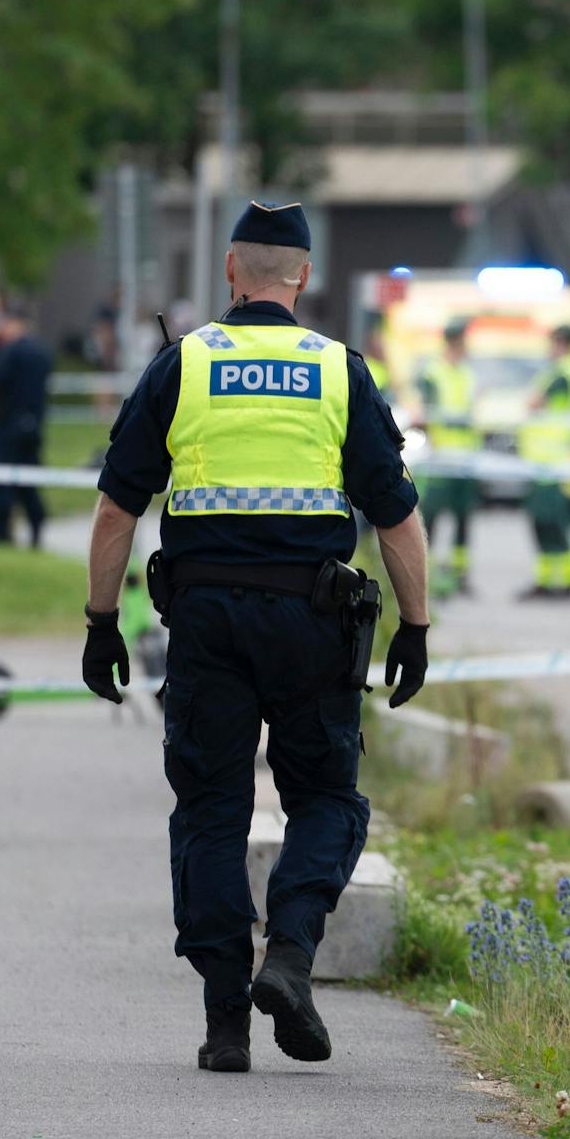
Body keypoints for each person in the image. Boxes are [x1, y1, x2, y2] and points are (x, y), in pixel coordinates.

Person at [82, 200, 430, 1075]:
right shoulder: (338, 371)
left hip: (205, 623)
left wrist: (98, 623)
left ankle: (223, 1025)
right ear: (302, 277)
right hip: (313, 624)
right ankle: (291, 957)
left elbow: (117, 510)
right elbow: (397, 520)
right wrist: (416, 627)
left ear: (231, 272)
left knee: (211, 809)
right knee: (325, 800)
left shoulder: (183, 364)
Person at [517, 325, 570, 601]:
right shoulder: (562, 370)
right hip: (543, 462)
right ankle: (548, 580)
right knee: (544, 524)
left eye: (554, 343)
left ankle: (565, 581)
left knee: (552, 523)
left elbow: (536, 403)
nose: (550, 348)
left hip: (552, 463)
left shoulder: (564, 372)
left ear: (563, 344)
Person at [417, 320, 481, 595]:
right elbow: (426, 413)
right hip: (440, 459)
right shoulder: (433, 373)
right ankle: (424, 575)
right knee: (431, 518)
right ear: (455, 342)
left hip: (465, 458)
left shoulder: (467, 374)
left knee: (464, 518)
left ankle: (459, 575)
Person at [0, 310, 52, 548]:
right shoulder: (41, 351)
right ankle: (36, 528)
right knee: (30, 483)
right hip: (34, 424)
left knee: (2, 481)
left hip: (9, 424)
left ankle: (3, 534)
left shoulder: (10, 351)